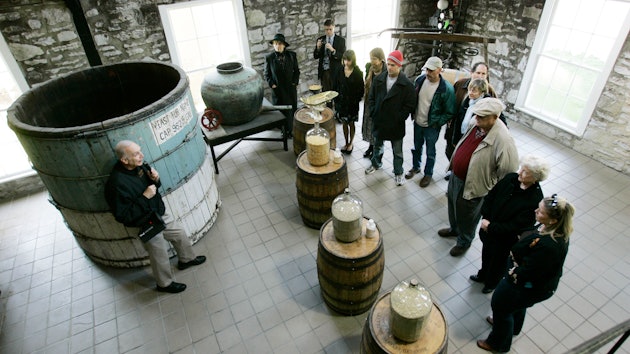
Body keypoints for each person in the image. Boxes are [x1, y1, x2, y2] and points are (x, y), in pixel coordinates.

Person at [105, 140, 206, 293]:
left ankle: (187, 259)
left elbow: (154, 188)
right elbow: (123, 216)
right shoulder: (116, 184)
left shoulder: (140, 166)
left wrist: (155, 180)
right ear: (124, 160)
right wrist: (145, 198)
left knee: (179, 233)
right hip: (145, 222)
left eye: (140, 151)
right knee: (159, 253)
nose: (141, 155)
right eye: (136, 154)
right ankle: (164, 284)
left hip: (158, 212)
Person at [477, 194, 575, 353]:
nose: (536, 211)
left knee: (501, 306)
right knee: (516, 306)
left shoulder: (550, 246)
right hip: (531, 286)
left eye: (541, 211)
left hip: (526, 285)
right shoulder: (553, 229)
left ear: (553, 220)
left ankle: (498, 344)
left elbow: (528, 272)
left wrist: (511, 271)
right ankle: (513, 327)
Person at [438, 97, 519, 256]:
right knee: (453, 206)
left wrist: (489, 185)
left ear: (495, 117)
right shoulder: (478, 123)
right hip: (457, 177)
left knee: (468, 216)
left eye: (482, 116)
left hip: (474, 185)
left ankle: (464, 241)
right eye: (477, 115)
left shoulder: (504, 140)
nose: (477, 119)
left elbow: (508, 172)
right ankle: (454, 229)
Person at [470, 155, 549, 294]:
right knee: (486, 254)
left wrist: (490, 227)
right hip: (489, 230)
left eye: (525, 172)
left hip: (504, 240)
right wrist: (486, 217)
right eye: (521, 169)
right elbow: (491, 196)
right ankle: (483, 274)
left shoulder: (534, 200)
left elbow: (516, 226)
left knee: (498, 262)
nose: (519, 173)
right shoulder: (511, 178)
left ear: (535, 178)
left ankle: (491, 282)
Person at [364, 50, 415, 186]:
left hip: (395, 124)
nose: (390, 67)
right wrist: (374, 112)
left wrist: (399, 117)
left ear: (399, 66)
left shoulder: (407, 85)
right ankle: (376, 164)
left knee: (397, 151)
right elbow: (372, 97)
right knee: (377, 146)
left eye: (393, 65)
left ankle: (398, 172)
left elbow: (409, 105)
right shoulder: (379, 79)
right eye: (389, 64)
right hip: (380, 120)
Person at [406, 56, 455, 188]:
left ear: (440, 70)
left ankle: (428, 174)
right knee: (416, 147)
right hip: (418, 122)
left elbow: (449, 112)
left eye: (431, 70)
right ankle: (416, 167)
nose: (428, 73)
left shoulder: (446, 89)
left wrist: (437, 122)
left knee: (430, 152)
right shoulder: (420, 80)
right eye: (427, 69)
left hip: (432, 126)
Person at [444, 62, 497, 180]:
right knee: (450, 150)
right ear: (472, 73)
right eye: (478, 72)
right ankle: (452, 169)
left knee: (466, 156)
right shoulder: (460, 84)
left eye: (484, 74)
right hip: (455, 128)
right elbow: (451, 103)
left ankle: (458, 175)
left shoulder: (490, 92)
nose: (481, 76)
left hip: (472, 135)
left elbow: (496, 113)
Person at [264, 33, 300, 138]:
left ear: (284, 45)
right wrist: (272, 84)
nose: (277, 46)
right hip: (278, 89)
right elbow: (267, 74)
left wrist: (295, 82)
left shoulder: (292, 55)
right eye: (275, 44)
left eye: (279, 44)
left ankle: (291, 129)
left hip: (290, 88)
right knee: (281, 111)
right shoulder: (269, 58)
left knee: (291, 109)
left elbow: (296, 71)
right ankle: (284, 131)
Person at [333, 50, 364, 154]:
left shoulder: (358, 72)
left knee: (351, 123)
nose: (346, 62)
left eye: (348, 60)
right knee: (344, 123)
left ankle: (351, 143)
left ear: (353, 60)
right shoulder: (339, 70)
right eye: (345, 59)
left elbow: (361, 89)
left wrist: (356, 100)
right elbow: (335, 86)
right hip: (341, 103)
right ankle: (346, 143)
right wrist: (336, 100)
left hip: (352, 104)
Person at [361, 48, 386, 159]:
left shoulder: (386, 72)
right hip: (369, 103)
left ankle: (378, 154)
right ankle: (371, 147)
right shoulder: (369, 68)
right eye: (371, 58)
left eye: (374, 59)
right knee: (370, 128)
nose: (372, 61)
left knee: (378, 131)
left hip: (379, 106)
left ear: (381, 59)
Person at [313, 19, 346, 101]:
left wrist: (333, 50)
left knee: (336, 94)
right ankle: (328, 111)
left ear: (334, 28)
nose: (328, 32)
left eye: (330, 29)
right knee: (325, 95)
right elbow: (315, 56)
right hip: (324, 72)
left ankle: (337, 111)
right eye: (326, 30)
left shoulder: (340, 40)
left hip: (335, 72)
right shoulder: (321, 39)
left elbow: (343, 56)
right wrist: (318, 47)